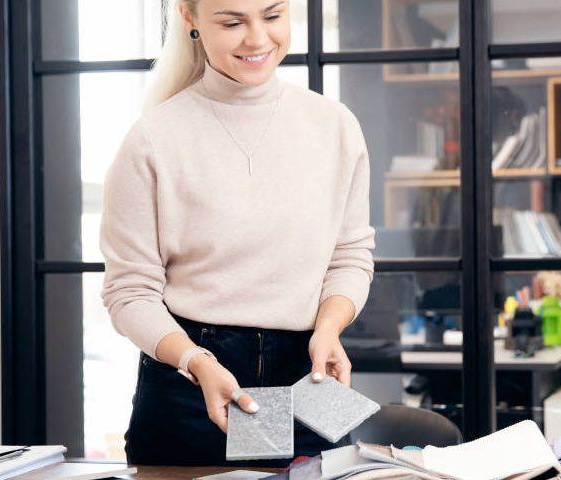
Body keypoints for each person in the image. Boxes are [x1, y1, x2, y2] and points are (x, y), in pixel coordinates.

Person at [99, 0, 376, 466]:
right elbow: (129, 293)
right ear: (189, 17)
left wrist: (329, 326)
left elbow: (350, 255)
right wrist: (195, 361)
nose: (257, 39)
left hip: (304, 373)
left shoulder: (335, 126)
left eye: (272, 16)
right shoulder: (153, 139)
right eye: (232, 22)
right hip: (191, 382)